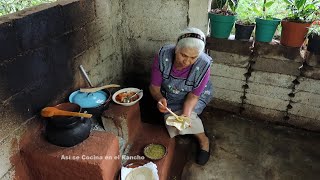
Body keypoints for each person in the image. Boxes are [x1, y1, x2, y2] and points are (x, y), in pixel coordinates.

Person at [149, 27, 213, 165]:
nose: (187, 62)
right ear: (176, 48)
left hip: (195, 96)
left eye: (193, 57)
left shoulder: (204, 64)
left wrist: (186, 114)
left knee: (186, 120)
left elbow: (194, 96)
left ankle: (203, 140)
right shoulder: (163, 56)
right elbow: (154, 87)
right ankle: (189, 128)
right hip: (170, 93)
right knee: (173, 123)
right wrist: (160, 99)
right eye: (183, 55)